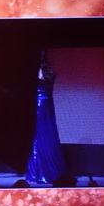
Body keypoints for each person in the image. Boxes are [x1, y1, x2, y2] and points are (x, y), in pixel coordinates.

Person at [26, 51, 70, 186]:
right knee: (38, 139)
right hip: (40, 106)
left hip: (42, 106)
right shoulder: (43, 72)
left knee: (44, 137)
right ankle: (38, 171)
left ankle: (45, 172)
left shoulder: (45, 73)